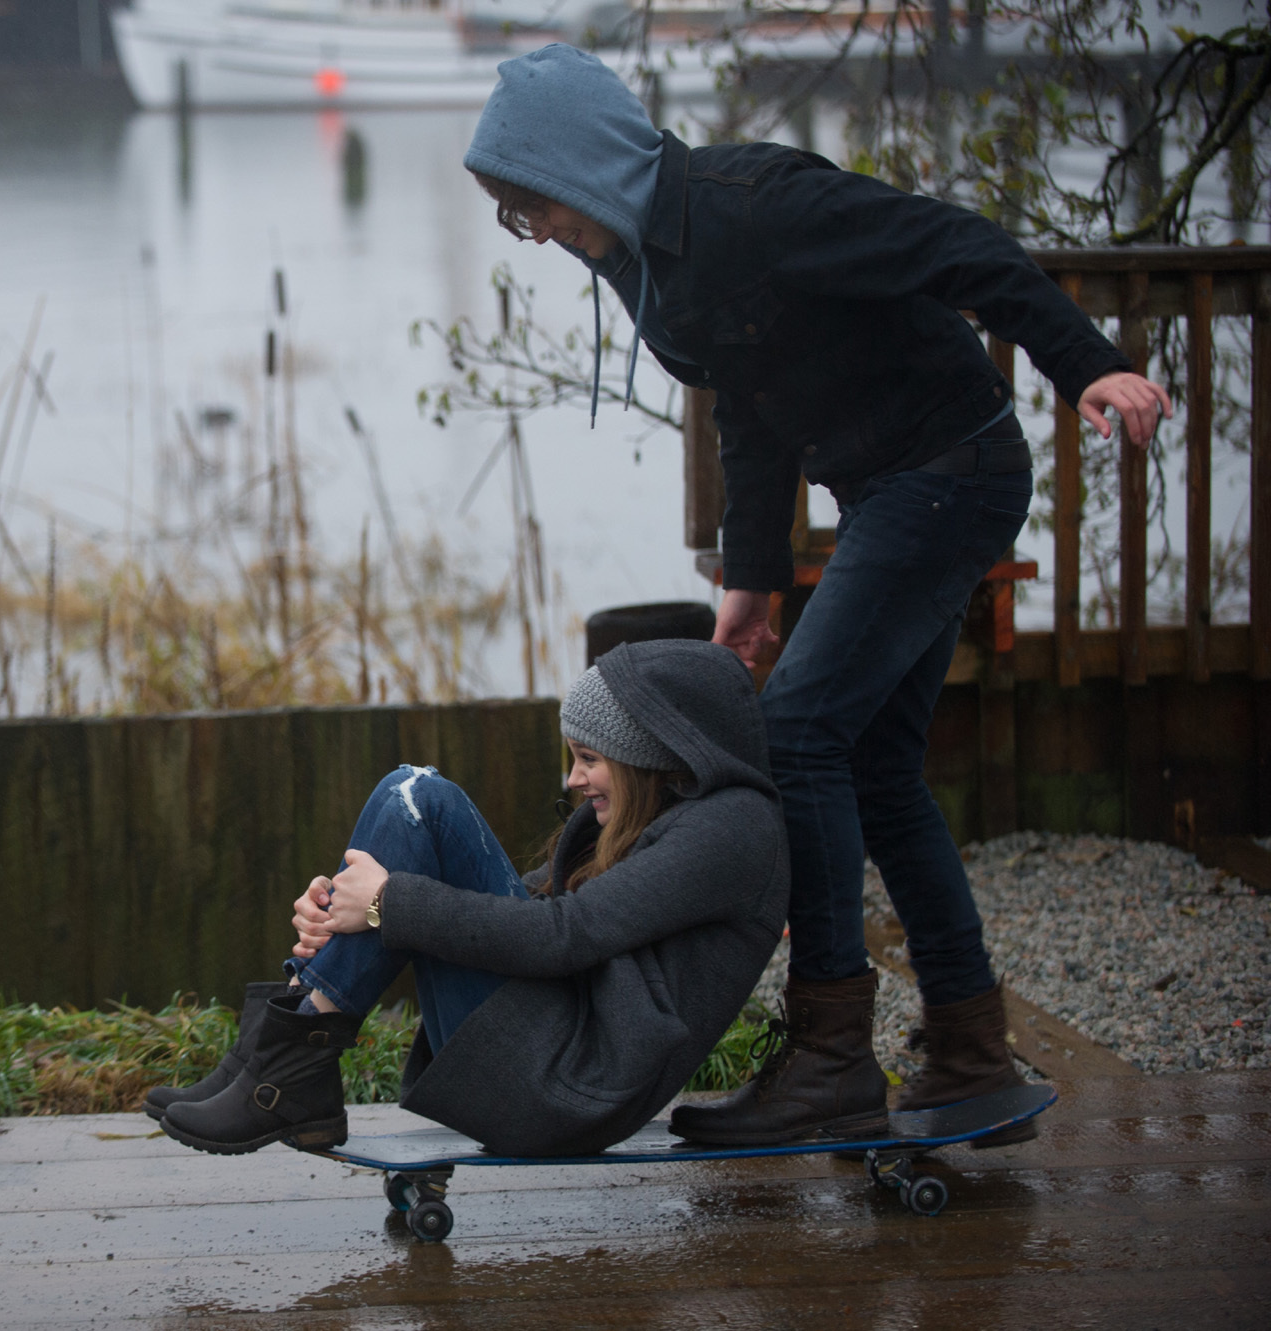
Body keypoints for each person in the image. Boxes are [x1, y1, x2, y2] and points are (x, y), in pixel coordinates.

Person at [462, 44, 1176, 1145]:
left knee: (795, 731)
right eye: (517, 218)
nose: (540, 232)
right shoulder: (646, 258)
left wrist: (1083, 365)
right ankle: (969, 1047)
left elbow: (959, 247)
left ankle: (832, 1054)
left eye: (536, 204)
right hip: (895, 484)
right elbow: (749, 407)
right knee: (876, 762)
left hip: (950, 470)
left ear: (586, 162)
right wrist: (747, 579)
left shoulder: (754, 206)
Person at [145, 639, 788, 1157]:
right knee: (412, 804)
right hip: (551, 1061)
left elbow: (565, 935)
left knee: (420, 797)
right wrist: (350, 906)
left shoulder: (731, 829)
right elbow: (536, 912)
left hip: (566, 1090)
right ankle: (268, 1058)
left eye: (589, 758)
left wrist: (386, 903)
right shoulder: (666, 819)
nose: (573, 779)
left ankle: (285, 1068)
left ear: (649, 754)